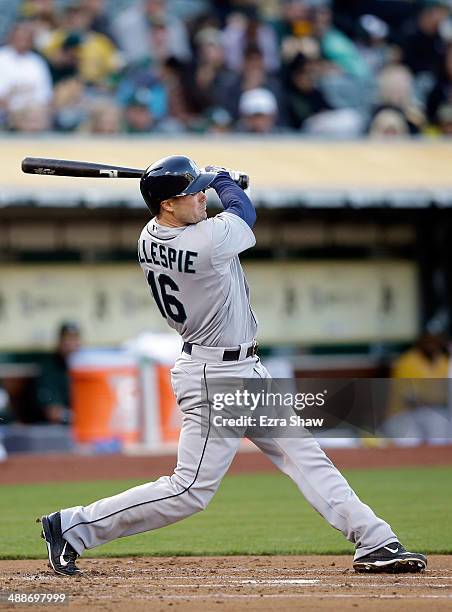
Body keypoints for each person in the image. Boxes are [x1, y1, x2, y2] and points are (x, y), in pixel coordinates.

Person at [40, 156, 427, 576]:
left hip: (239, 368)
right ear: (168, 205)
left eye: (204, 189)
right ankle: (71, 526)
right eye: (194, 192)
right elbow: (245, 211)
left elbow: (219, 210)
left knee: (305, 456)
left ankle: (375, 540)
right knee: (189, 490)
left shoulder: (150, 234)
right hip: (214, 377)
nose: (203, 197)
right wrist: (226, 179)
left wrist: (205, 182)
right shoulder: (203, 240)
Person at [34, 322, 81, 425]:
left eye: (74, 339)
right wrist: (78, 416)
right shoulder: (49, 366)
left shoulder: (83, 367)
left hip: (80, 428)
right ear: (60, 341)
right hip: (53, 431)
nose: (71, 344)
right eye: (67, 339)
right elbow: (52, 413)